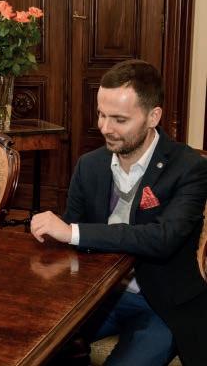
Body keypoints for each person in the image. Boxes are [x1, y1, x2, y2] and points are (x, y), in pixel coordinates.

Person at [30, 59, 207, 365]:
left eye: (119, 119)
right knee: (36, 347)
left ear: (153, 117)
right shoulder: (90, 165)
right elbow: (70, 237)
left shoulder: (189, 167)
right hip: (96, 296)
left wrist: (72, 232)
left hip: (161, 303)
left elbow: (162, 238)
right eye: (101, 114)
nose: (105, 128)